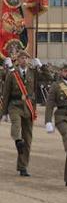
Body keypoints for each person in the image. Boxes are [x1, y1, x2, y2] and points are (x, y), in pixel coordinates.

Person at [1, 48, 42, 177]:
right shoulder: (12, 74)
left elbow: (48, 78)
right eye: (22, 58)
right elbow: (6, 93)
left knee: (28, 139)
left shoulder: (33, 73)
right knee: (16, 126)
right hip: (15, 105)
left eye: (26, 58)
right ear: (18, 60)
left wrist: (41, 66)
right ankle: (17, 140)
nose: (24, 60)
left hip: (28, 107)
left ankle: (23, 166)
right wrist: (3, 112)